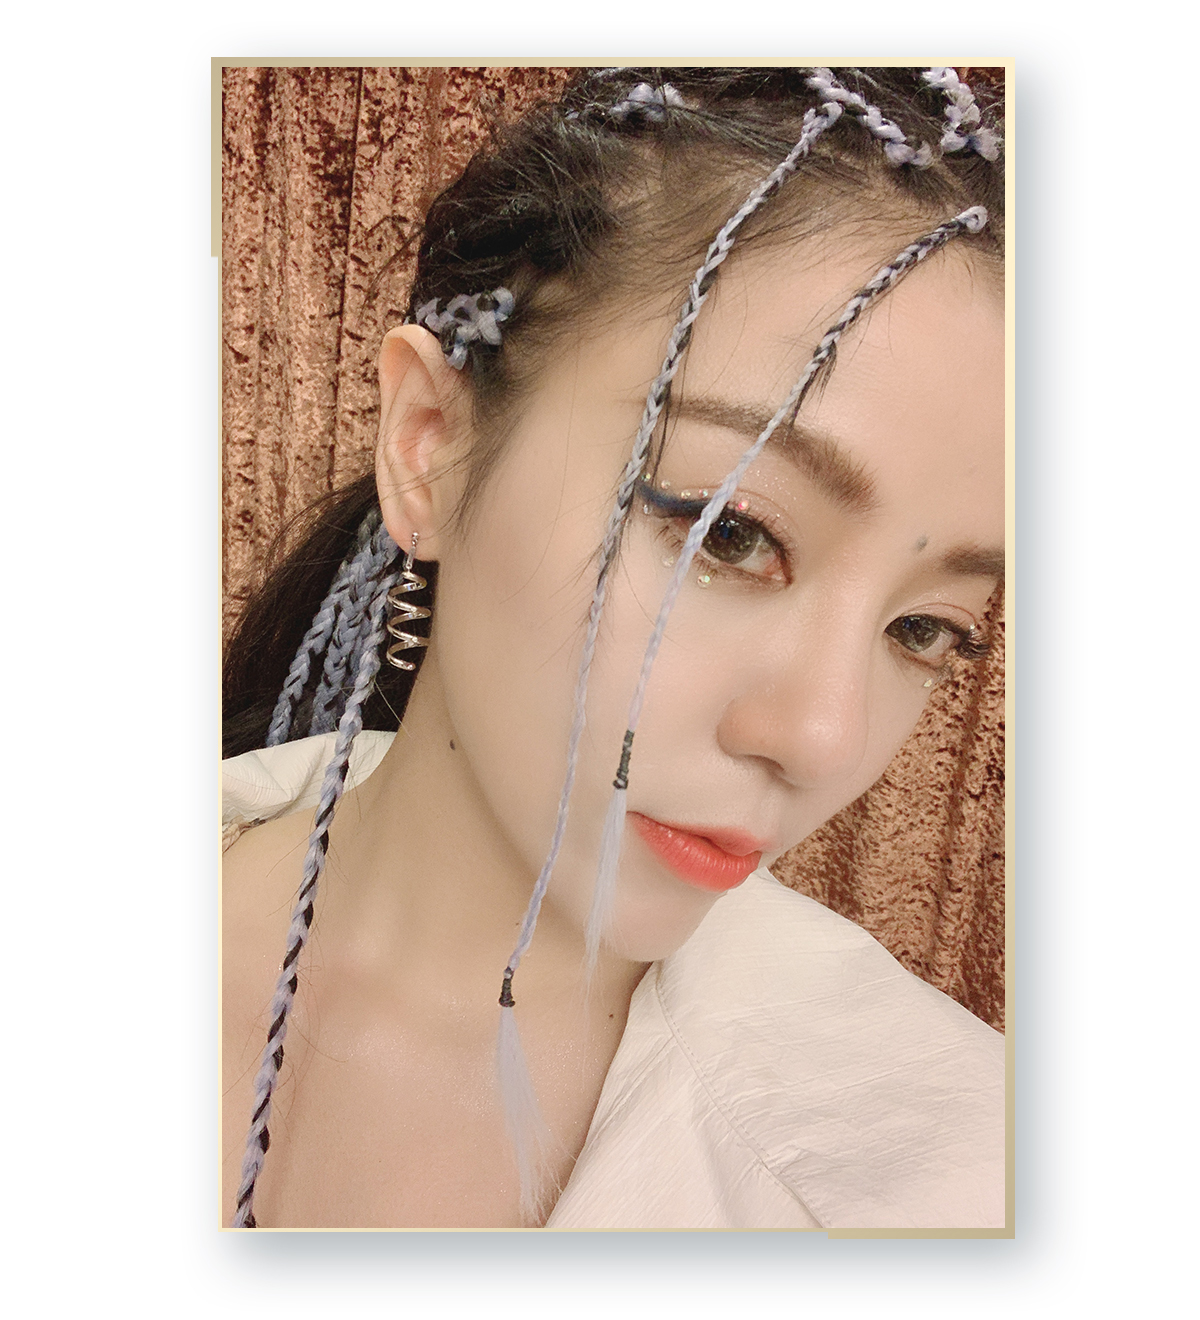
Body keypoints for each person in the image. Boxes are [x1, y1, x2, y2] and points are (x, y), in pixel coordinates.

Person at [221, 66, 1006, 1231]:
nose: (821, 738)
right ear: (431, 444)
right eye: (730, 530)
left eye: (924, 628)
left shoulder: (962, 1185)